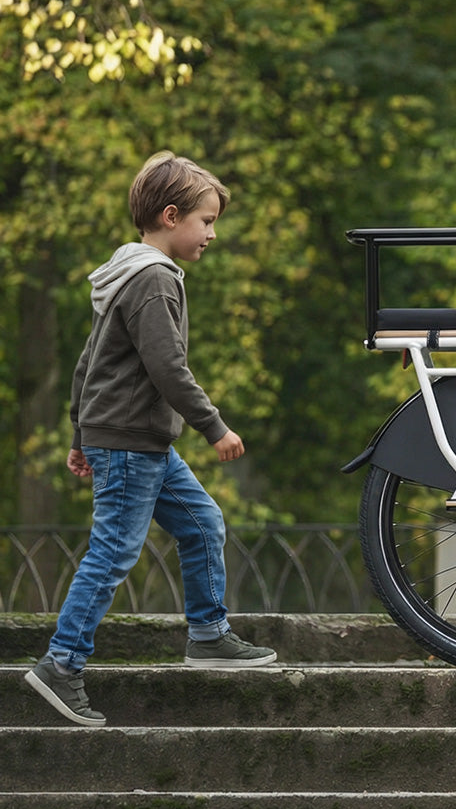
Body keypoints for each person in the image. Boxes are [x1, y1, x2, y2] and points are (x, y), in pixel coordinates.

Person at [24, 151, 277, 728]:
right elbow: (169, 367)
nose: (212, 233)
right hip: (133, 442)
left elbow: (88, 363)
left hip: (139, 442)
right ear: (170, 215)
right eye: (206, 221)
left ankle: (209, 635)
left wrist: (80, 431)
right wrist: (214, 426)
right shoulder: (154, 280)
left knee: (202, 521)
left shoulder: (125, 274)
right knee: (114, 551)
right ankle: (61, 663)